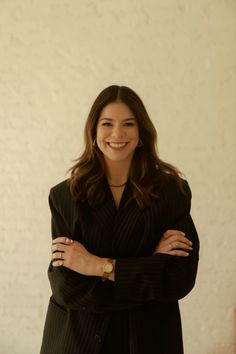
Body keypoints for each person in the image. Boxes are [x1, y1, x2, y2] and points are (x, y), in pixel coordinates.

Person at [40, 85, 199, 354]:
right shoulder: (64, 196)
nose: (117, 134)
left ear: (141, 135)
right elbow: (67, 287)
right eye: (107, 124)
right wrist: (148, 268)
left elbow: (178, 279)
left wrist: (96, 265)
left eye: (128, 124)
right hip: (76, 341)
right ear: (93, 133)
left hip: (147, 340)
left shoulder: (172, 192)